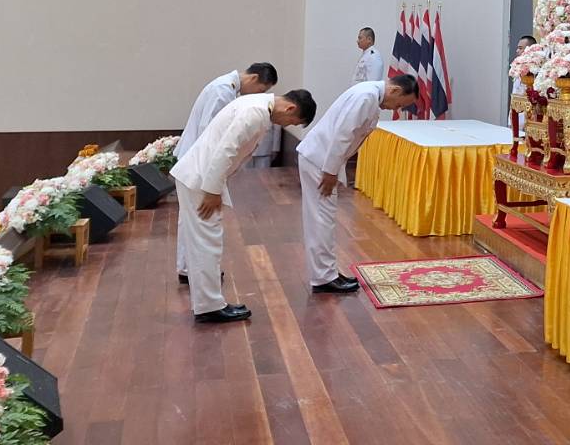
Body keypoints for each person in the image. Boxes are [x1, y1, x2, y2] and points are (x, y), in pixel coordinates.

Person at [170, 89, 315, 324]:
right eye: (292, 121)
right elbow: (226, 150)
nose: (287, 125)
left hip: (197, 175)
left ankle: (205, 299)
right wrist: (212, 190)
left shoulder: (258, 104)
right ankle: (209, 307)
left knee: (200, 239)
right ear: (290, 108)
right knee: (208, 241)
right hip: (201, 180)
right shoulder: (256, 112)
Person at [296, 75, 420, 293]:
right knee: (322, 220)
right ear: (395, 91)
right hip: (321, 162)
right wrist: (330, 171)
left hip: (321, 159)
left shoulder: (370, 95)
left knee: (322, 219)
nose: (396, 109)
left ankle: (326, 273)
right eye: (400, 104)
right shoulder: (366, 96)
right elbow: (342, 135)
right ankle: (324, 278)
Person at [175, 62, 276, 281]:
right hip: (200, 164)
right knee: (201, 222)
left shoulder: (226, 86)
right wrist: (213, 177)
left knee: (191, 220)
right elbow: (210, 132)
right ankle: (196, 270)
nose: (258, 95)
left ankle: (189, 267)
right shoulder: (223, 91)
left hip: (197, 161)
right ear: (253, 78)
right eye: (261, 89)